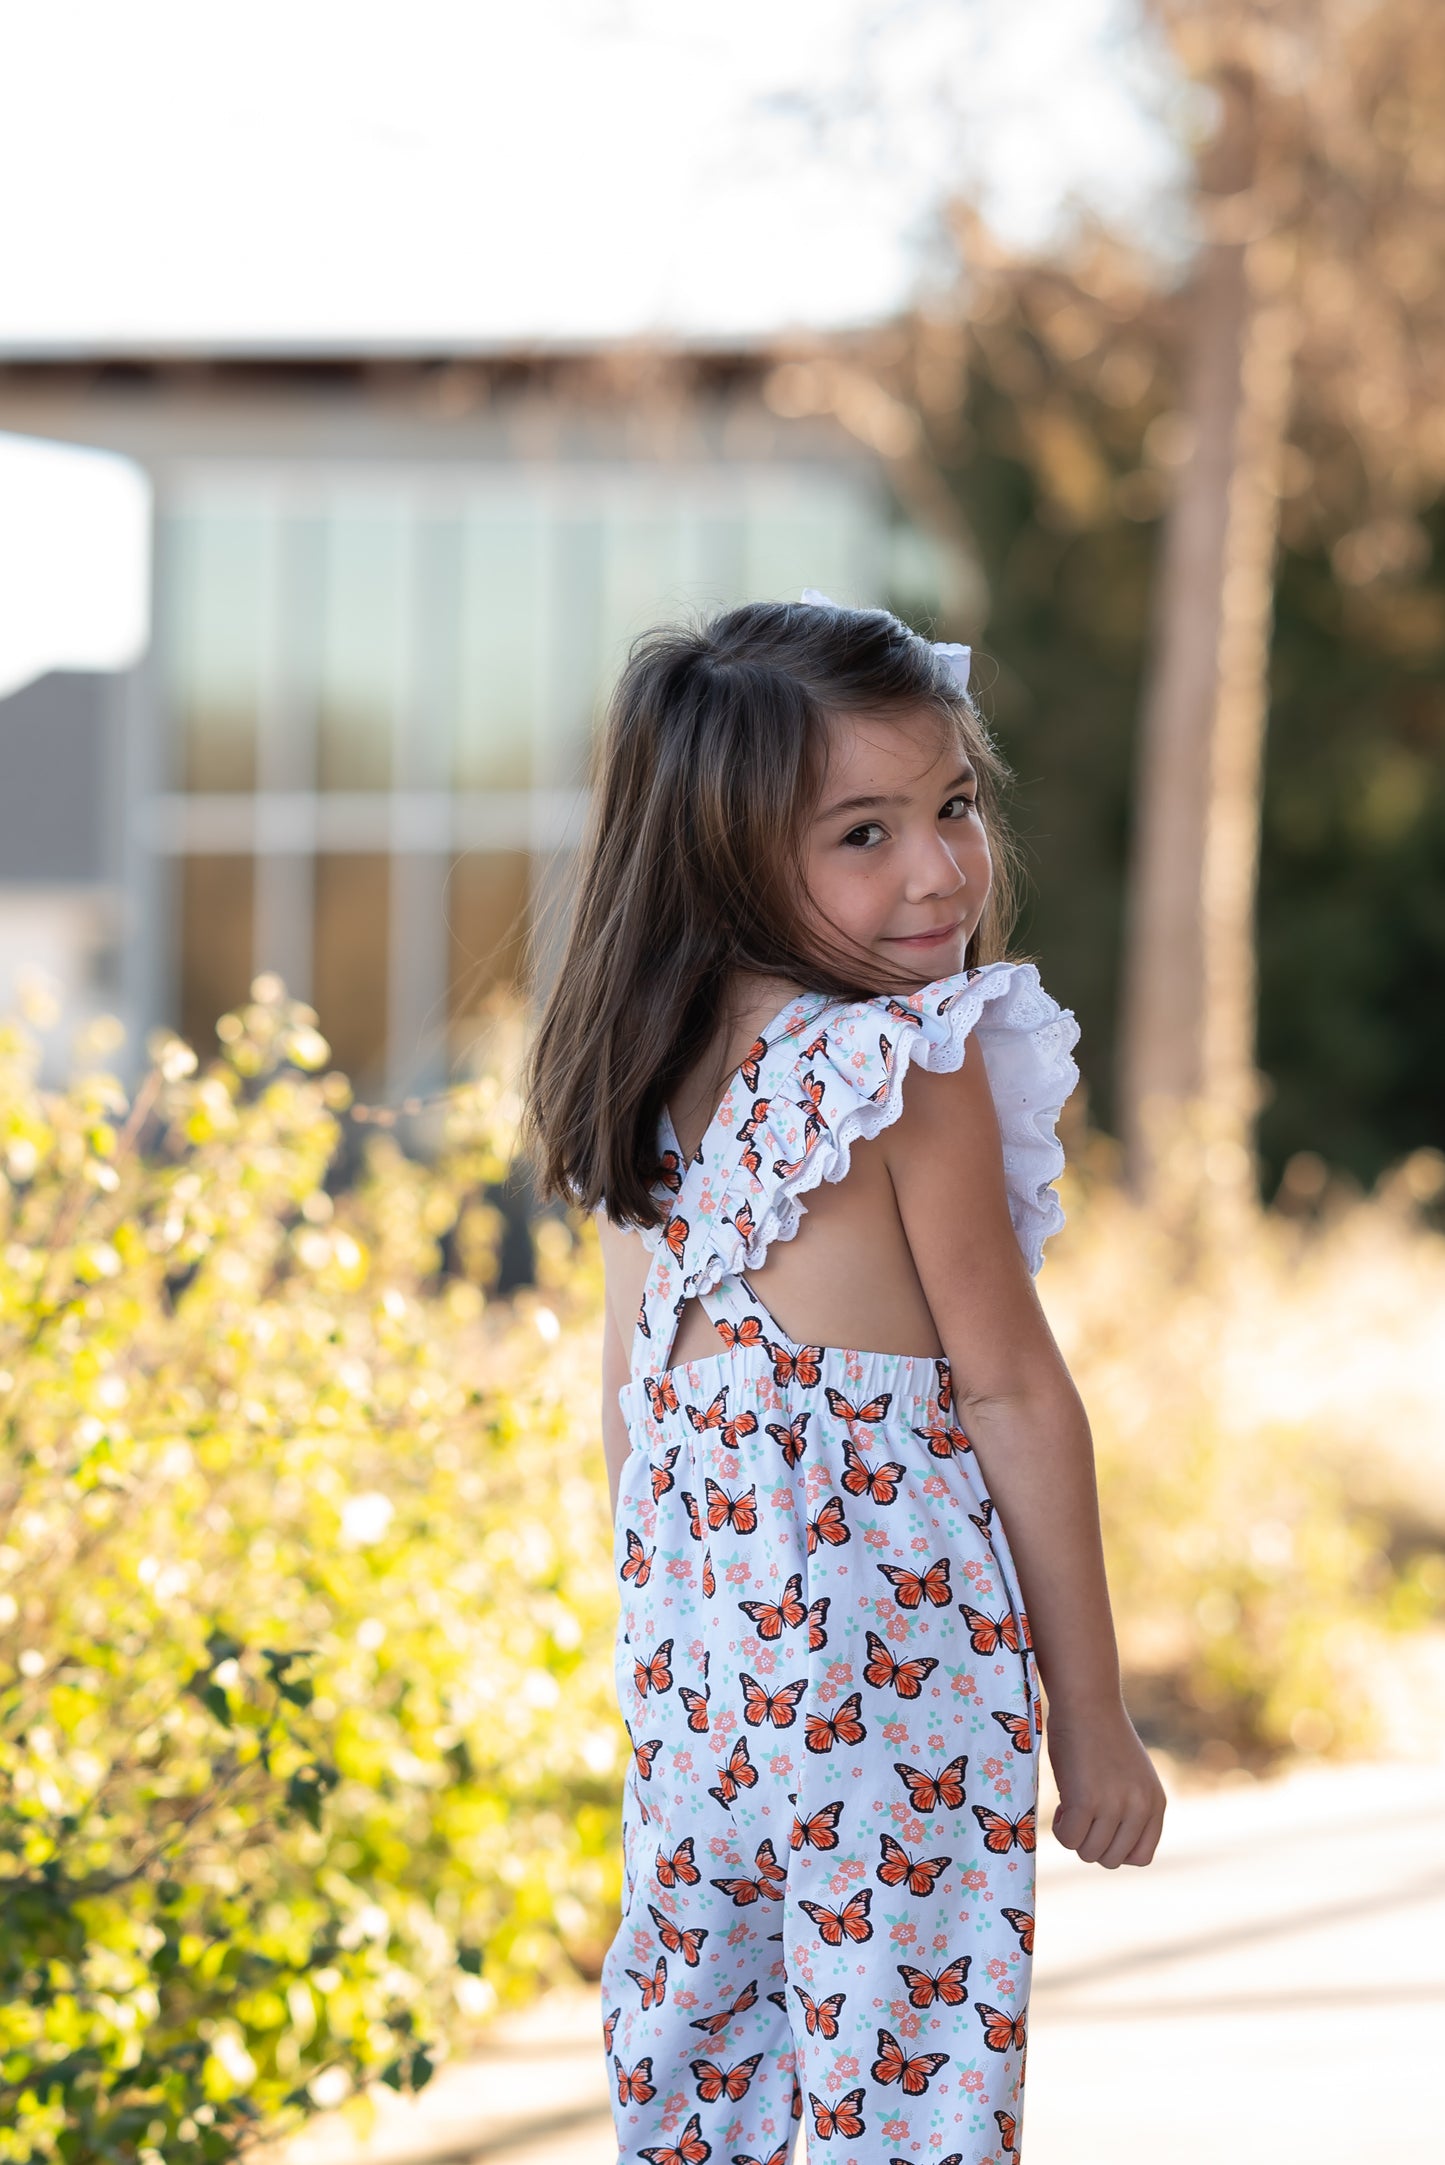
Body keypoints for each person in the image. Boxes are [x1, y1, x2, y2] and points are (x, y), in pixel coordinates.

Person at [521, 593, 1166, 2165]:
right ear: (726, 858)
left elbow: (630, 1404)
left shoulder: (643, 1066)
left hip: (697, 1677)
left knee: (701, 2060)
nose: (940, 866)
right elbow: (1011, 1393)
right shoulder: (905, 1064)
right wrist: (1089, 1720)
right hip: (891, 1682)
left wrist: (672, 1645)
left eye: (951, 806)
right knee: (906, 2076)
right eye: (861, 833)